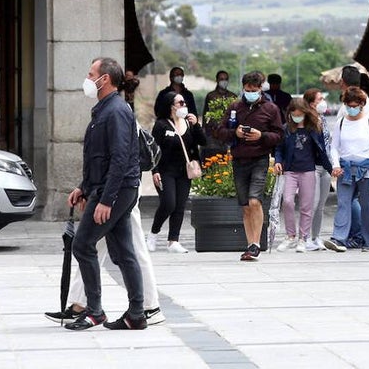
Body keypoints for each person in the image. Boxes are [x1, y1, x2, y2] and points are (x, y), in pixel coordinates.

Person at [65, 57, 145, 331]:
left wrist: (106, 200)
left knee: (83, 245)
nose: (87, 80)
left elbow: (120, 160)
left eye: (91, 74)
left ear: (105, 79)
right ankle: (136, 314)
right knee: (123, 252)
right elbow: (98, 157)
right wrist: (83, 186)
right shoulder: (104, 110)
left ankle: (95, 311)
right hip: (110, 188)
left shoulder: (116, 111)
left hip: (118, 190)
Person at [216, 70, 284, 262]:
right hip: (239, 160)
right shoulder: (235, 107)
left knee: (255, 201)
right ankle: (250, 244)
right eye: (247, 89)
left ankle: (256, 244)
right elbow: (220, 131)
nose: (250, 92)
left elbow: (279, 135)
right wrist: (234, 133)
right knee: (245, 205)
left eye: (254, 90)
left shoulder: (271, 109)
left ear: (260, 89)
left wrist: (261, 136)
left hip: (260, 160)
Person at [324, 85, 369, 252]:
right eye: (348, 106)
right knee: (343, 203)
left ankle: (368, 240)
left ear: (362, 104)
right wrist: (335, 165)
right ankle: (339, 238)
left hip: (366, 168)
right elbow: (334, 147)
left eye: (355, 106)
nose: (352, 109)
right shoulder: (340, 123)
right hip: (345, 168)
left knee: (367, 205)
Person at [148, 92, 206, 253]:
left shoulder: (188, 123)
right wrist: (155, 171)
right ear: (171, 105)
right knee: (168, 203)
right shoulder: (161, 125)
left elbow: (203, 141)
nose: (184, 105)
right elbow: (153, 150)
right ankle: (153, 234)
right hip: (166, 171)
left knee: (180, 205)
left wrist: (197, 125)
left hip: (184, 172)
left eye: (184, 102)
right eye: (180, 103)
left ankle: (173, 240)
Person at [274, 98, 333, 252]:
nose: (297, 117)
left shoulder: (313, 129)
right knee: (287, 201)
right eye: (294, 115)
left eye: (300, 114)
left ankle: (303, 238)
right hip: (290, 171)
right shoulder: (286, 129)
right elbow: (279, 149)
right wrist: (278, 161)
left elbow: (322, 150)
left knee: (307, 207)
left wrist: (330, 168)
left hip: (308, 171)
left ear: (305, 114)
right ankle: (290, 235)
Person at [302, 87, 333, 251]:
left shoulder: (323, 119)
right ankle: (305, 237)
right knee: (311, 204)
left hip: (325, 167)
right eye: (319, 99)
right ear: (311, 103)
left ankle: (316, 237)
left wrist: (332, 164)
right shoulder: (307, 121)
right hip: (312, 166)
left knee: (321, 205)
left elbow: (328, 145)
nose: (322, 102)